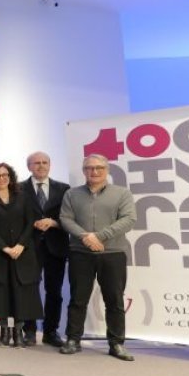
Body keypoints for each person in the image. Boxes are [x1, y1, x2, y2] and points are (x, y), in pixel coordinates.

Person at [60, 154, 137, 361]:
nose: (94, 172)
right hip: (80, 253)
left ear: (107, 170)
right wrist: (86, 237)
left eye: (99, 168)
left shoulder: (122, 193)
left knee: (114, 300)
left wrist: (99, 236)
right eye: (89, 168)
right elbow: (65, 219)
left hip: (112, 254)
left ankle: (116, 343)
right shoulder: (71, 194)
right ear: (84, 171)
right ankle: (73, 340)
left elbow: (129, 219)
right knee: (78, 299)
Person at [0, 163, 42, 348]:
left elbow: (30, 222)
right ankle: (4, 333)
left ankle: (18, 332)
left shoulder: (23, 197)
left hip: (22, 253)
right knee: (1, 293)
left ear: (11, 177)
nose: (1, 178)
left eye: (5, 175)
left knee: (21, 293)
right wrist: (4, 247)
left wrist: (21, 245)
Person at [22, 151, 71, 347]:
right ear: (29, 167)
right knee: (29, 290)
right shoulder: (18, 189)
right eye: (36, 163)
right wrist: (31, 224)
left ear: (50, 165)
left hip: (55, 246)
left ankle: (51, 331)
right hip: (28, 246)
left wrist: (54, 222)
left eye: (44, 162)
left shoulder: (64, 189)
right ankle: (29, 331)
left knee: (54, 291)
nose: (41, 166)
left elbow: (70, 217)